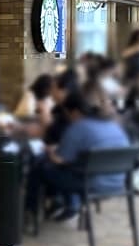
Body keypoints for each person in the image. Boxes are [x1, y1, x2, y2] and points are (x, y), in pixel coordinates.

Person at [29, 89, 131, 223]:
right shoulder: (114, 125)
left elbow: (59, 160)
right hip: (118, 182)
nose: (67, 118)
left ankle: (32, 211)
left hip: (92, 183)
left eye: (67, 113)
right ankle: (69, 204)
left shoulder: (78, 127)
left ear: (75, 112)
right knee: (71, 167)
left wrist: (50, 151)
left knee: (41, 167)